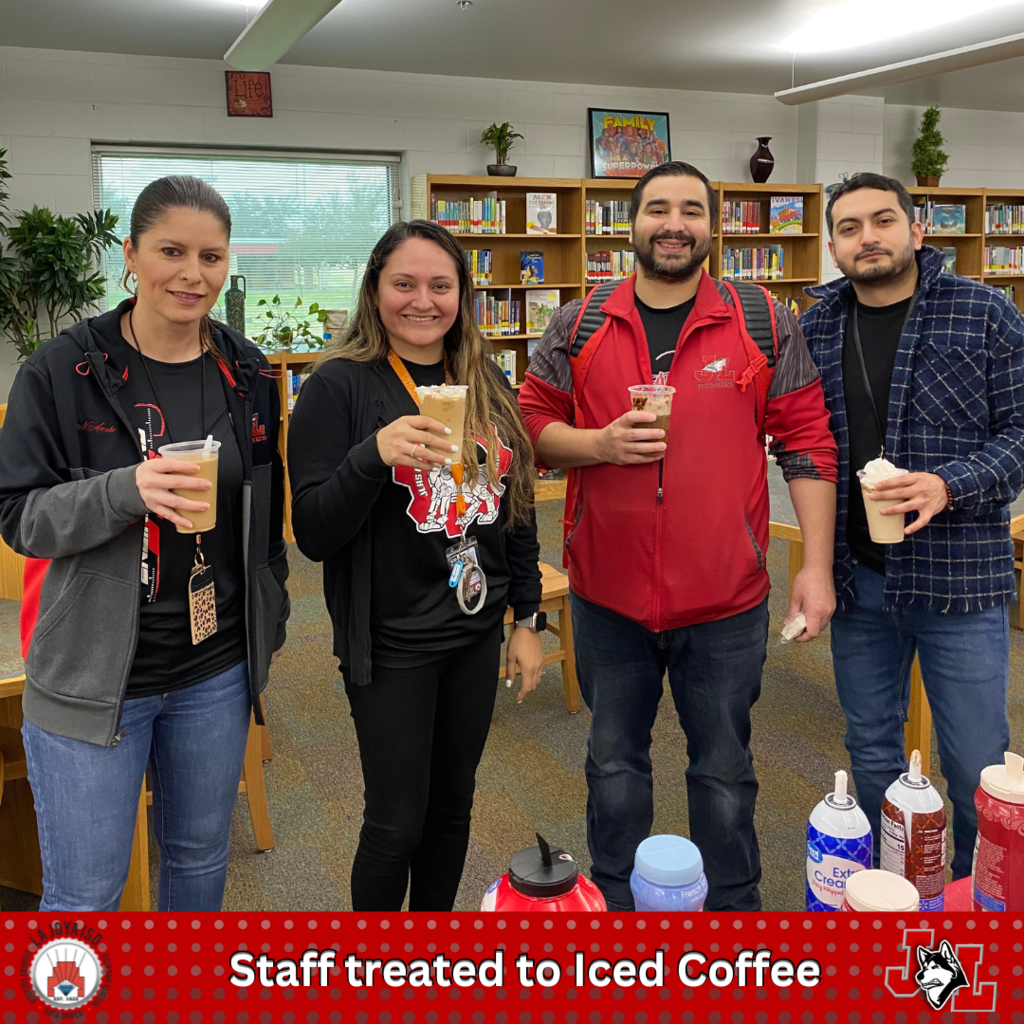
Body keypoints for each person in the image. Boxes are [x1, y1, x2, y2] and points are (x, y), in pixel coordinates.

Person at [517, 160, 839, 912]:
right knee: (614, 766)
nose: (674, 223)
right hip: (607, 599)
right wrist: (597, 445)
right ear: (626, 225)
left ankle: (731, 913)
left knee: (724, 771)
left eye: (691, 209)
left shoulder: (761, 318)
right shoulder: (580, 321)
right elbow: (530, 426)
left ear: (712, 225)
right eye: (657, 208)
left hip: (725, 600)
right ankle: (621, 914)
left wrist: (815, 567)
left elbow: (809, 441)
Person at [0, 175, 290, 912]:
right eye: (171, 251)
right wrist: (126, 490)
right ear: (130, 255)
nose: (193, 274)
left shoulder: (247, 370)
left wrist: (269, 617)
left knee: (197, 862)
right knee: (85, 895)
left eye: (212, 257)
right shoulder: (60, 372)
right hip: (94, 677)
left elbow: (266, 515)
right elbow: (19, 517)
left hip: (214, 670)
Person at [287, 220, 543, 912]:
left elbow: (514, 505)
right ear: (375, 290)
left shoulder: (483, 378)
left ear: (462, 294)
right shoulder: (336, 387)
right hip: (392, 643)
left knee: (453, 809)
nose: (422, 300)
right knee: (396, 820)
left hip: (474, 629)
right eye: (404, 283)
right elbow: (312, 532)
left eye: (441, 284)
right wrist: (372, 456)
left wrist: (528, 618)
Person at [800, 172, 1022, 878]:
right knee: (870, 746)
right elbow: (803, 443)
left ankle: (976, 906)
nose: (869, 237)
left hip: (961, 583)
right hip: (860, 580)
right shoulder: (814, 326)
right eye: (850, 227)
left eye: (883, 220)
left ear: (917, 231)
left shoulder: (986, 313)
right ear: (833, 246)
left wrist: (949, 484)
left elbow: (1022, 432)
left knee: (977, 763)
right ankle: (895, 894)